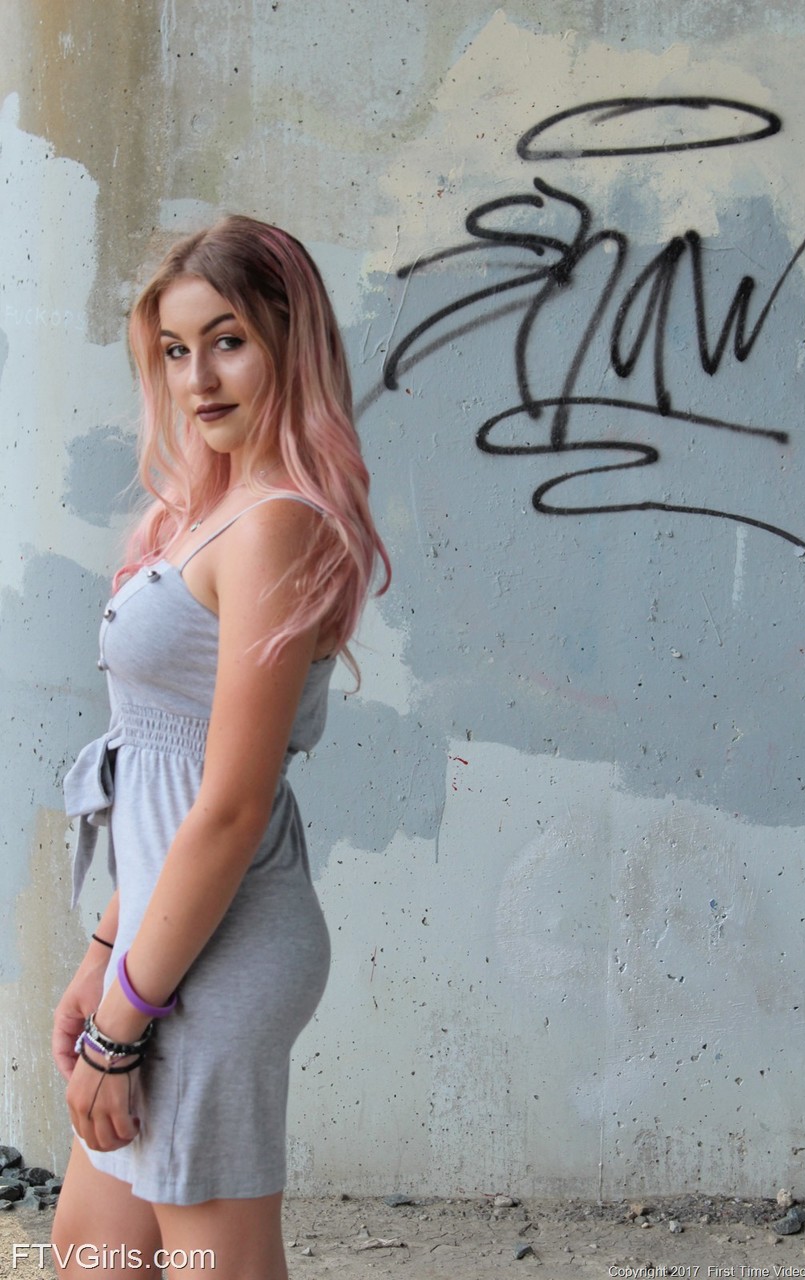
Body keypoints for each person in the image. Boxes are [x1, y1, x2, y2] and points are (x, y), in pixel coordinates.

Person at [52, 215, 390, 1279]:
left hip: (225, 948)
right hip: (160, 939)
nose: (197, 377)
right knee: (95, 1255)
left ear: (291, 339)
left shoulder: (277, 524)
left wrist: (120, 1027)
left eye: (228, 339)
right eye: (174, 349)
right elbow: (163, 772)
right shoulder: (205, 511)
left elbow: (231, 806)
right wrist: (104, 953)